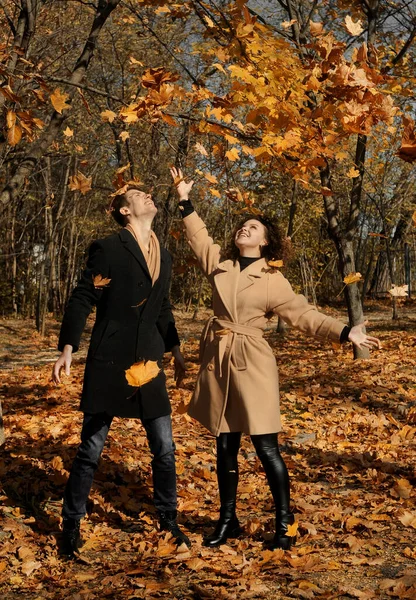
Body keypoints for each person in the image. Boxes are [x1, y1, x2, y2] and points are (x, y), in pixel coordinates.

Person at [170, 167, 381, 550]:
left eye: (253, 227)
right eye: (242, 226)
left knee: (266, 447)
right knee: (224, 446)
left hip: (252, 364)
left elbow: (304, 315)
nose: (244, 230)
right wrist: (185, 200)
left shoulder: (272, 279)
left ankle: (285, 524)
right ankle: (227, 520)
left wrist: (346, 331)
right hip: (219, 362)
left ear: (265, 242)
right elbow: (199, 239)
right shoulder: (221, 264)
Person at [52, 185, 190, 558]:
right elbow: (84, 296)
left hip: (148, 363)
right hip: (109, 360)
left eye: (149, 194)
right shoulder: (109, 248)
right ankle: (72, 523)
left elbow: (163, 308)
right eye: (139, 195)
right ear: (124, 211)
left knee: (164, 447)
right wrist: (68, 348)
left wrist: (174, 350)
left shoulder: (165, 254)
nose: (149, 197)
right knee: (91, 448)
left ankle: (168, 518)